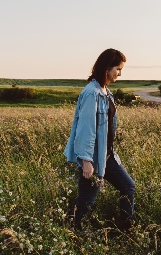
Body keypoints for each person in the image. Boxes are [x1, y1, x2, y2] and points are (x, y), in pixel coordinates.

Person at [63, 48, 135, 231]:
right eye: (118, 69)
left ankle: (126, 229)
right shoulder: (91, 93)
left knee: (127, 186)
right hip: (94, 157)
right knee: (87, 199)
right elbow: (85, 129)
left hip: (106, 154)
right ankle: (74, 232)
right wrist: (87, 161)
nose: (120, 73)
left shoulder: (105, 92)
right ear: (107, 67)